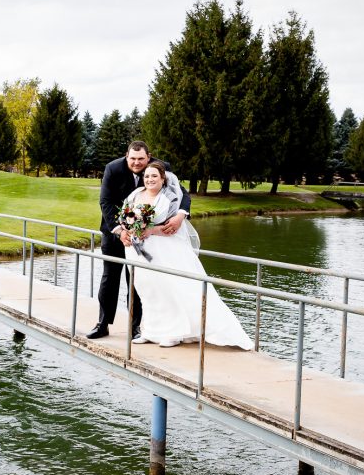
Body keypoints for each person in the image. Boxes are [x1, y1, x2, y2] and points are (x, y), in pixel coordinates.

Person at [122, 162, 253, 350]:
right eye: (147, 176)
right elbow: (125, 217)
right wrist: (129, 229)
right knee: (148, 291)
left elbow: (172, 228)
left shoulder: (169, 198)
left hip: (163, 250)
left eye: (154, 176)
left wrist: (150, 230)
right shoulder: (135, 195)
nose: (149, 179)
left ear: (163, 178)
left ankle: (173, 333)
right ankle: (151, 331)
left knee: (169, 289)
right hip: (137, 252)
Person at [86, 141, 190, 340]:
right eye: (132, 159)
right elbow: (105, 202)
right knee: (110, 278)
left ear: (148, 157)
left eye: (141, 159)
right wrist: (119, 230)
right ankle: (103, 324)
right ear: (126, 156)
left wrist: (180, 215)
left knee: (137, 280)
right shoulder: (112, 169)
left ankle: (136, 327)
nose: (136, 163)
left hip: (145, 239)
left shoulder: (161, 168)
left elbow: (182, 194)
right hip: (114, 233)